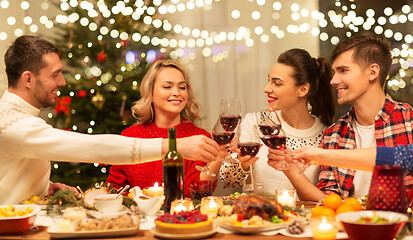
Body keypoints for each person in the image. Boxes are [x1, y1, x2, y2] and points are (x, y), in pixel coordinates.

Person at [0, 35, 219, 204]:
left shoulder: (23, 118)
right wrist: (175, 145)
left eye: (181, 87)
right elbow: (90, 146)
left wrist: (45, 187)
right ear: (28, 78)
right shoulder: (10, 124)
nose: (63, 81)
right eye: (55, 74)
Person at [220, 48, 335, 199]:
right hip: (258, 219)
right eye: (269, 80)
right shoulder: (255, 122)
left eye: (277, 83)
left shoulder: (327, 135)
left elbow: (327, 200)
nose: (267, 89)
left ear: (303, 89)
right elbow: (228, 181)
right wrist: (242, 164)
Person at [313, 34, 413, 200]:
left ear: (372, 72)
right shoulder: (332, 135)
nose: (333, 80)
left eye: (343, 70)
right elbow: (330, 202)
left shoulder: (409, 121)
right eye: (334, 72)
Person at [107, 60, 225, 197]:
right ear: (150, 94)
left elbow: (193, 193)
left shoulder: (199, 138)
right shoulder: (131, 136)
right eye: (167, 87)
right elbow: (115, 189)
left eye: (182, 87)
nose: (177, 93)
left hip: (183, 216)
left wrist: (220, 156)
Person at [292, 144, 413, 174]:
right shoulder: (335, 132)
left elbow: (399, 158)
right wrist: (319, 156)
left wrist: (319, 156)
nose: (333, 81)